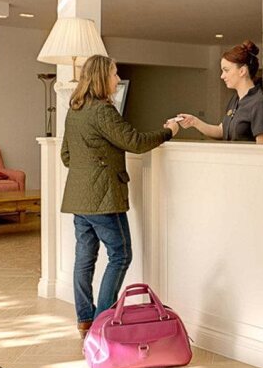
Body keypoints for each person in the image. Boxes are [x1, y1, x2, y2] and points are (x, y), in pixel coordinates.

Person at [60, 54, 180, 339]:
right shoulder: (103, 111)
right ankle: (102, 322)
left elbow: (66, 156)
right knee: (121, 255)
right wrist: (168, 131)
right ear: (102, 77)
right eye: (114, 74)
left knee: (84, 258)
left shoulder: (75, 110)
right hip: (104, 198)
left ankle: (85, 321)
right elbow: (135, 142)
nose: (117, 79)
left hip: (79, 199)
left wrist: (91, 164)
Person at [176, 40, 263, 144]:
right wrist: (194, 122)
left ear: (242, 71)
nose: (222, 76)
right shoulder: (235, 99)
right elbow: (222, 131)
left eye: (226, 70)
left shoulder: (260, 103)